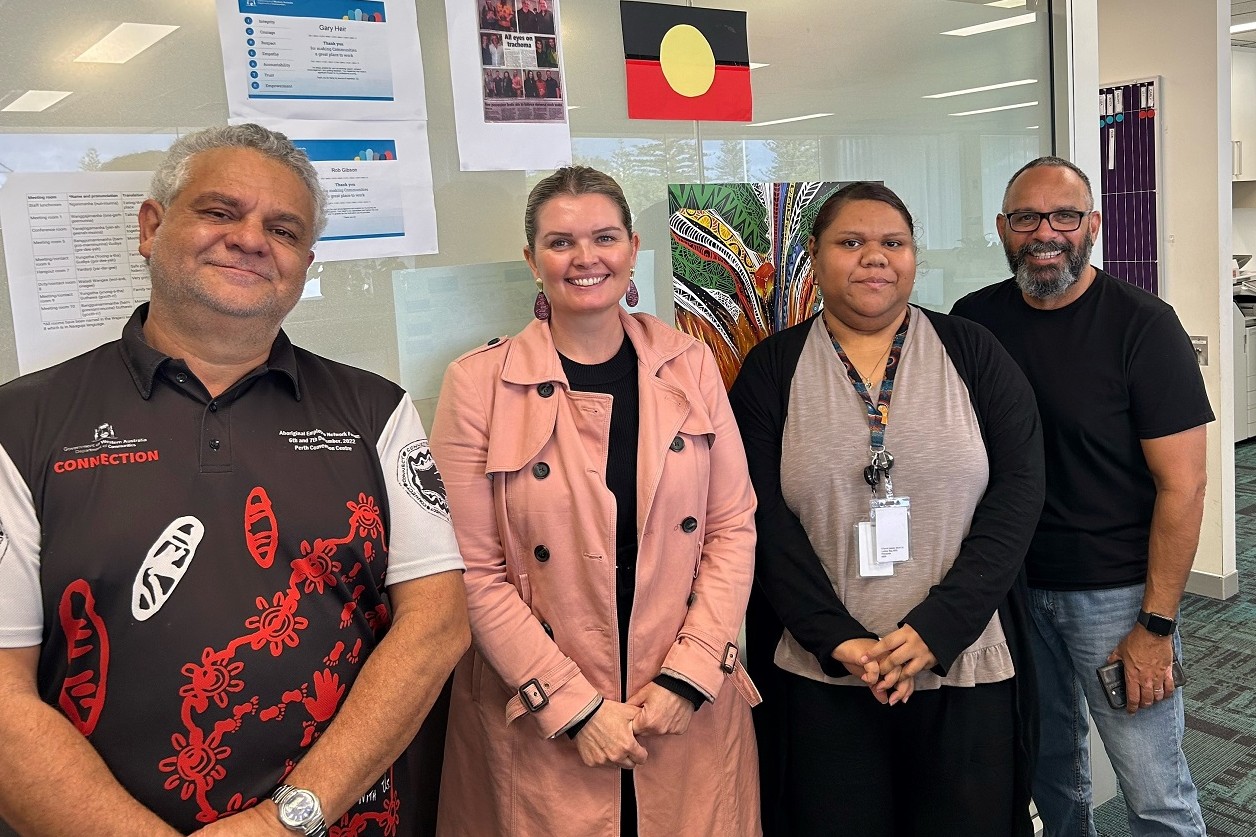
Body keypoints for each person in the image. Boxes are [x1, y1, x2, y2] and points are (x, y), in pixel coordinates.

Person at [0, 123, 470, 836]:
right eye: (219, 212)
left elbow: (436, 625)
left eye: (282, 228)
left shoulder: (375, 411)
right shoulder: (23, 423)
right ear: (151, 228)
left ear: (305, 263)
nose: (250, 238)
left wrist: (287, 818)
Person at [431, 166, 761, 837]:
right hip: (540, 715)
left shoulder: (690, 364)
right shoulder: (477, 384)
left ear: (633, 248)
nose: (586, 257)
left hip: (679, 705)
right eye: (561, 242)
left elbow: (732, 527)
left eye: (604, 237)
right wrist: (575, 707)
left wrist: (690, 676)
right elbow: (471, 569)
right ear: (531, 260)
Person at [729, 181, 1044, 837]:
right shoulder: (771, 371)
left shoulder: (973, 352)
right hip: (824, 676)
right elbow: (756, 520)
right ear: (814, 257)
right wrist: (836, 638)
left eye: (892, 242)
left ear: (913, 256)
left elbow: (1018, 492)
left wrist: (937, 627)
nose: (875, 257)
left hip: (964, 668)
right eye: (851, 242)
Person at [951, 156, 1212, 837]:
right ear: (1002, 229)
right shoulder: (973, 322)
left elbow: (1183, 485)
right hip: (1011, 592)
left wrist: (1156, 626)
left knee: (1154, 789)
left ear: (1092, 225)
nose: (1046, 233)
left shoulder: (1143, 326)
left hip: (1117, 599)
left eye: (1064, 216)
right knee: (1049, 778)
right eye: (1026, 218)